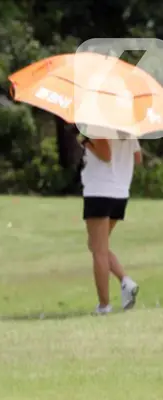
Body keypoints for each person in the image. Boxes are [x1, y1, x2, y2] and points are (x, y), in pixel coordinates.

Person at [78, 128, 141, 314]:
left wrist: (85, 142)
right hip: (120, 193)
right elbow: (138, 158)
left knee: (98, 251)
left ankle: (104, 306)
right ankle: (125, 281)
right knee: (97, 246)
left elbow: (105, 155)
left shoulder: (97, 123)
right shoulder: (127, 126)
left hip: (99, 190)